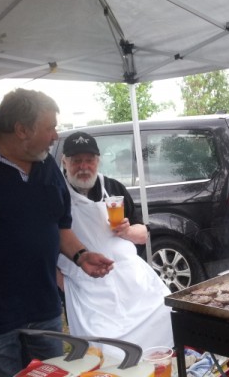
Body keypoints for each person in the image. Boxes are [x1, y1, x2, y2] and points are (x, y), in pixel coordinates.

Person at [0, 88, 114, 377]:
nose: (55, 136)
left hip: (44, 306)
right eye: (50, 127)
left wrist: (81, 255)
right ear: (22, 129)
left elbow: (59, 224)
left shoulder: (47, 164)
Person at [57, 131, 173, 359]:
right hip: (88, 288)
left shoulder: (114, 188)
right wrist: (65, 286)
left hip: (133, 282)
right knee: (107, 353)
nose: (83, 167)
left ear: (98, 161)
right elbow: (45, 245)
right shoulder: (56, 193)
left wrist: (127, 231)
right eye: (76, 161)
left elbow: (143, 235)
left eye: (89, 160)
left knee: (167, 319)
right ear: (64, 161)